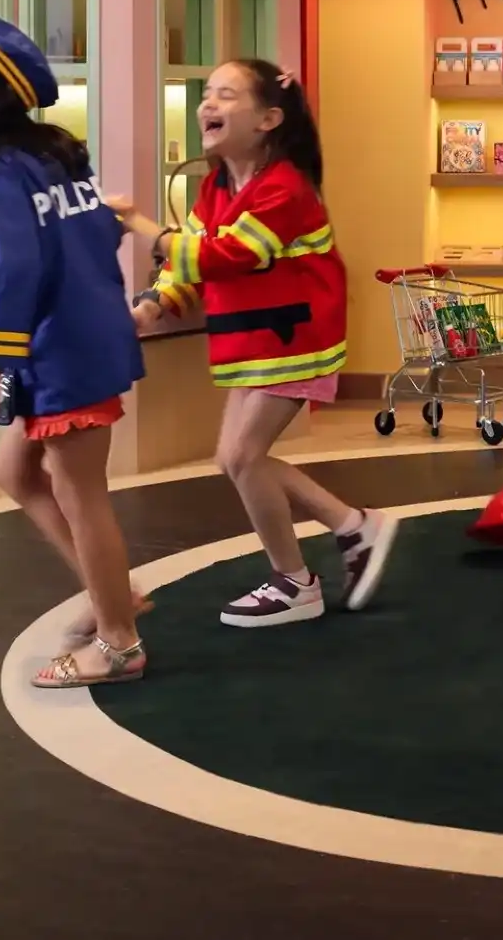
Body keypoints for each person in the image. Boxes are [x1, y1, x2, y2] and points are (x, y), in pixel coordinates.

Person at [113, 58, 397, 629]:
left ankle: (297, 580)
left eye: (226, 94)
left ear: (269, 119)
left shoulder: (286, 189)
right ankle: (352, 526)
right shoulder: (218, 186)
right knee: (236, 459)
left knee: (243, 457)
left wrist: (142, 225)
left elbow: (229, 256)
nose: (208, 104)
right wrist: (152, 305)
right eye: (208, 93)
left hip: (296, 340)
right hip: (253, 342)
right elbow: (192, 262)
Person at [0, 13, 148, 688]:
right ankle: (113, 593)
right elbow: (93, 232)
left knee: (82, 494)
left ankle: (119, 642)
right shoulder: (54, 153)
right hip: (82, 337)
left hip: (60, 350)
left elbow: (17, 269)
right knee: (15, 470)